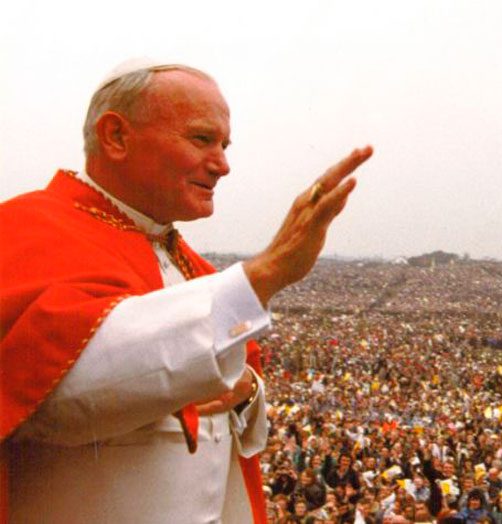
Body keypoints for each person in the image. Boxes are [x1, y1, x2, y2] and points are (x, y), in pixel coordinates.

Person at [0, 58, 374, 523]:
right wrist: (266, 273)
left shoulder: (185, 261)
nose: (222, 165)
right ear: (116, 136)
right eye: (202, 139)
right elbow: (58, 393)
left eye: (224, 144)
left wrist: (246, 391)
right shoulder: (21, 232)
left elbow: (230, 390)